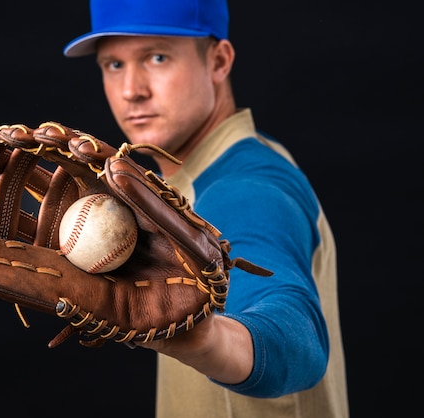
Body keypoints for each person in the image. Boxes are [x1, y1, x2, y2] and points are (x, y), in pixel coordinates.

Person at [62, 0, 349, 417]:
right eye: (113, 65)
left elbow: (297, 335)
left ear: (218, 60)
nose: (131, 90)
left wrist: (210, 343)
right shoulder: (198, 177)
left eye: (156, 57)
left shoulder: (246, 187)